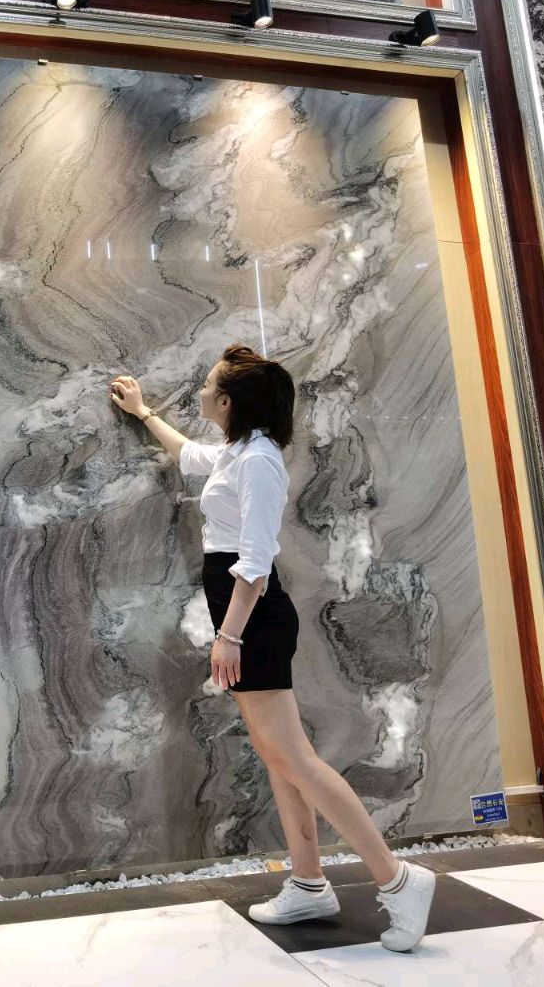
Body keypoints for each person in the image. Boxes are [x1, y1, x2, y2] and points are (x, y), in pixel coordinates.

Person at [108, 343, 436, 953]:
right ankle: (309, 883)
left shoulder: (258, 461)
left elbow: (255, 562)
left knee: (296, 759)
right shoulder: (237, 452)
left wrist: (228, 637)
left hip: (251, 615)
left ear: (229, 401)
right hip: (240, 612)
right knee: (279, 756)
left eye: (209, 385)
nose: (201, 391)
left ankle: (397, 879)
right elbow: (189, 455)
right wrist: (142, 411)